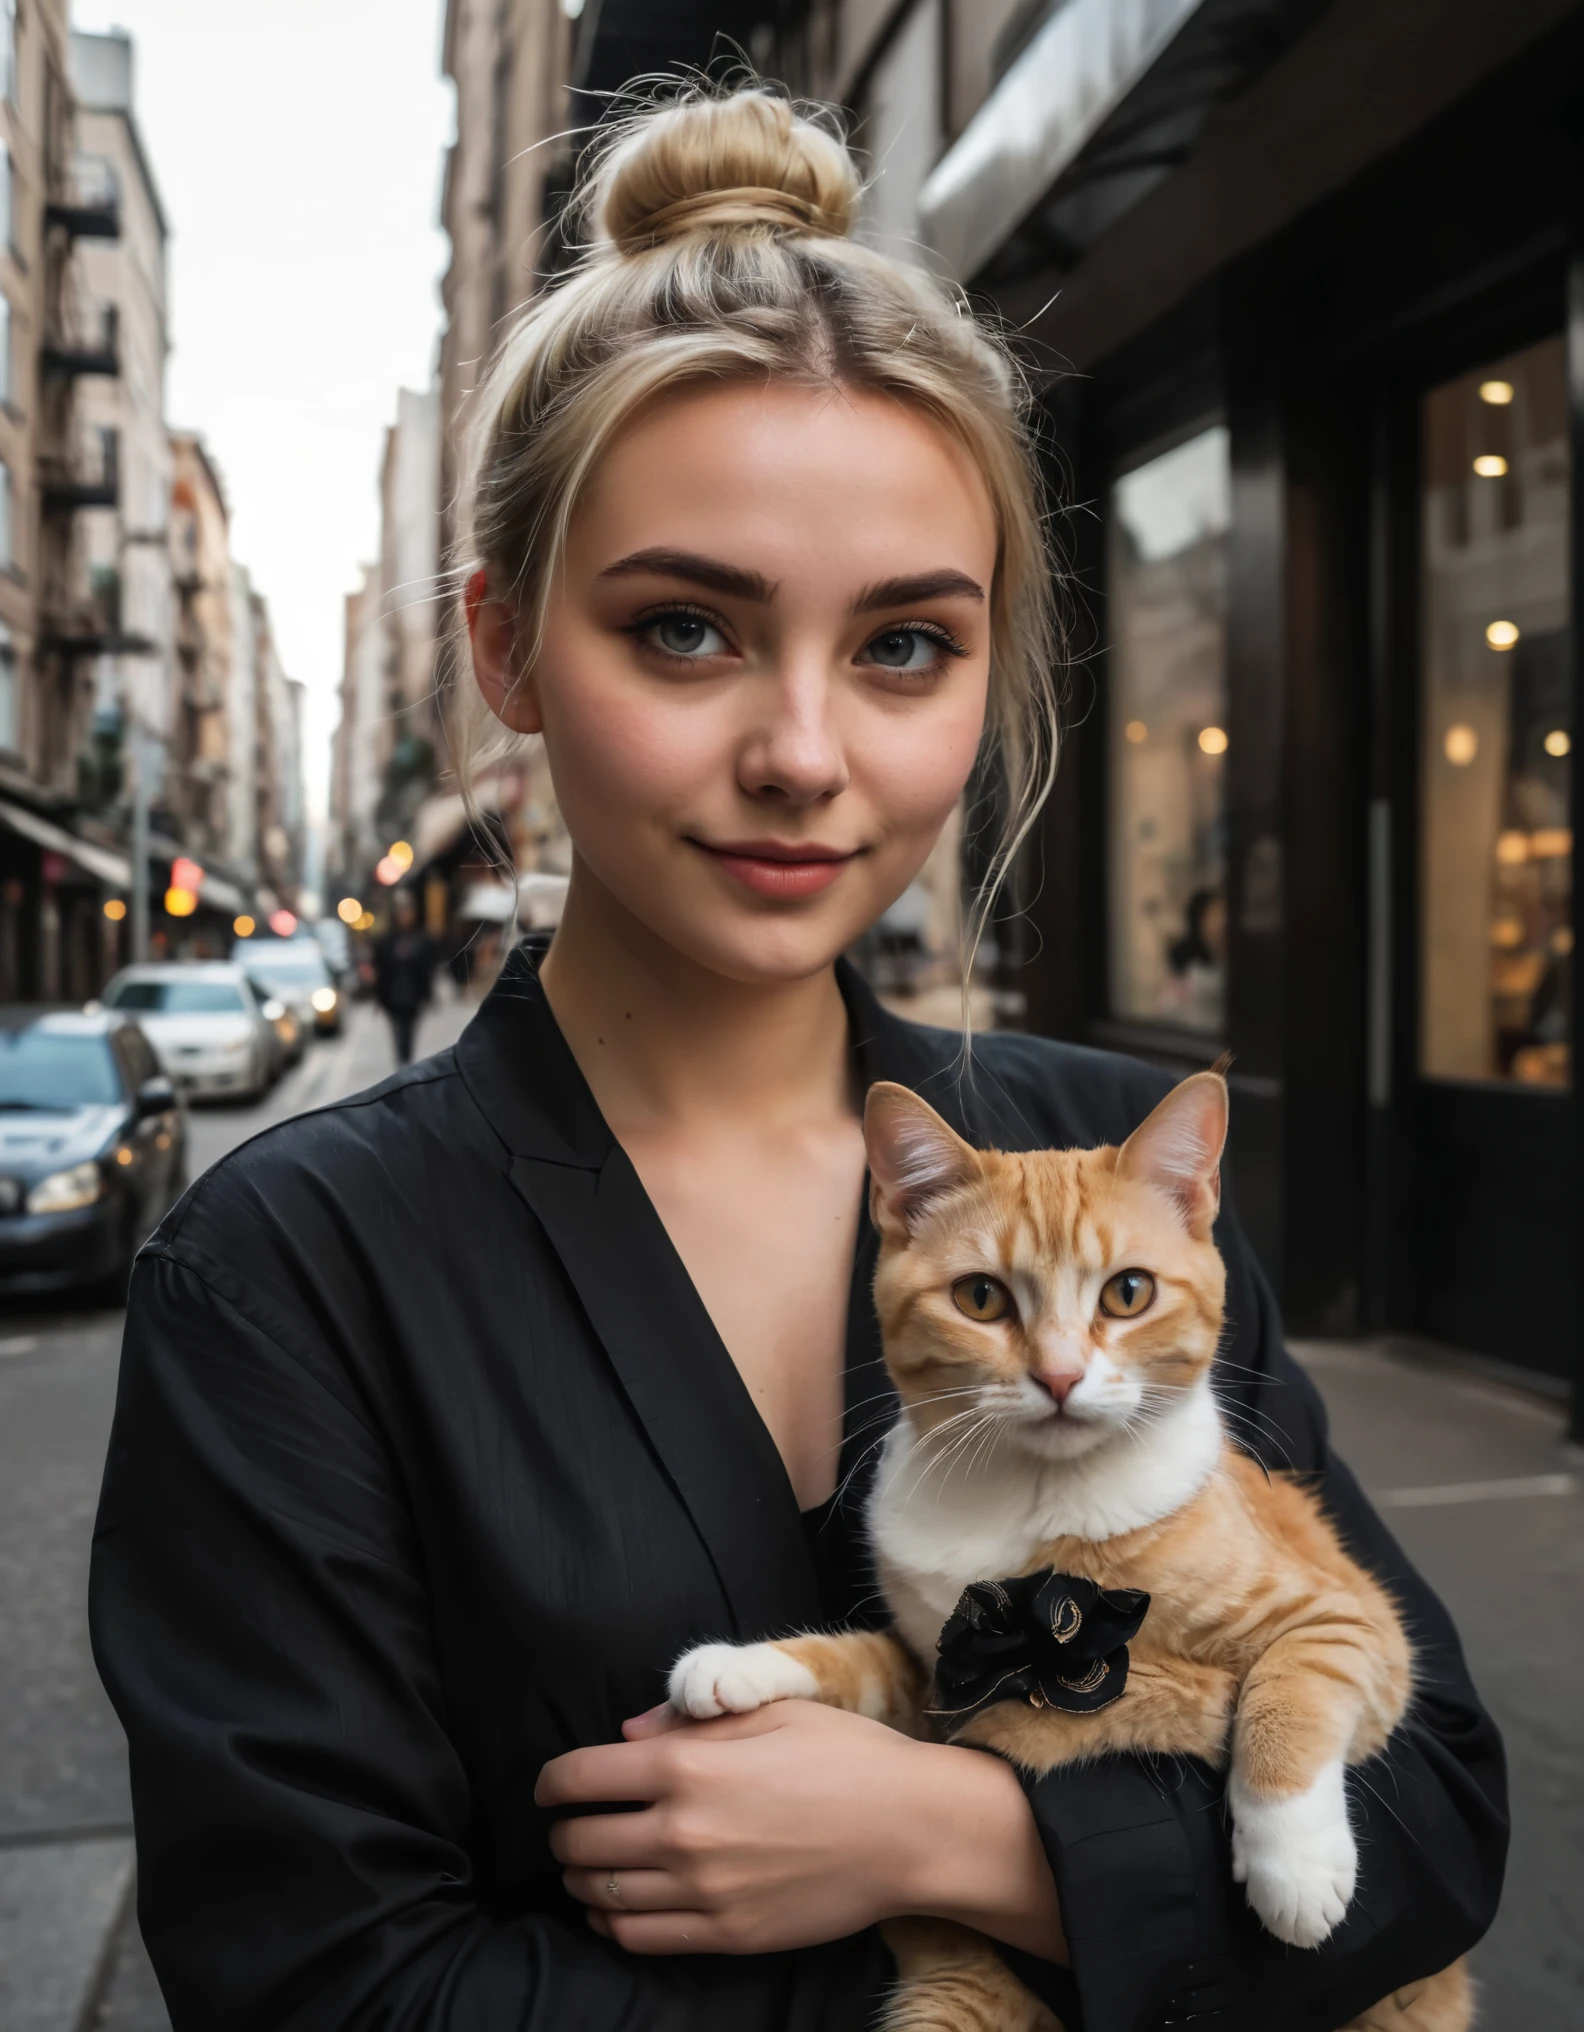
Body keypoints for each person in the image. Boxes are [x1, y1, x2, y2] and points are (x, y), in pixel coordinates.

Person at [89, 87, 1504, 2031]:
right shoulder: (296, 1266)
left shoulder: (1104, 1160)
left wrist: (961, 1841)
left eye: (907, 646)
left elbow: (1435, 1810)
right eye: (687, 627)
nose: (806, 752)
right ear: (504, 647)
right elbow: (318, 1977)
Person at [372, 886, 437, 1064]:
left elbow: (427, 969)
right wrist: (378, 997)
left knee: (409, 1031)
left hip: (414, 995)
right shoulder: (386, 941)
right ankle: (402, 1060)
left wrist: (429, 994)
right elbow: (380, 970)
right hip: (392, 997)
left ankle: (406, 1059)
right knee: (398, 1031)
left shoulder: (422, 940)